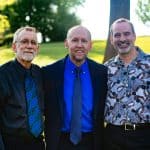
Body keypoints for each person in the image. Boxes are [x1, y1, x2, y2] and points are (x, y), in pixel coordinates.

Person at [42, 25, 108, 150]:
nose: (79, 45)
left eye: (84, 41)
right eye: (74, 40)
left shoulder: (102, 72)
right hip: (59, 142)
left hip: (92, 142)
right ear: (66, 43)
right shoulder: (49, 72)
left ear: (90, 45)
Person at [104, 18, 150, 150]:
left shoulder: (148, 64)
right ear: (112, 40)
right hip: (112, 137)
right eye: (117, 35)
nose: (122, 39)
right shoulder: (106, 68)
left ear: (134, 36)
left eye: (126, 33)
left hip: (144, 136)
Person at [0, 26, 45, 150]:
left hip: (38, 144)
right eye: (24, 42)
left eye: (33, 43)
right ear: (14, 47)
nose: (29, 46)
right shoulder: (3, 75)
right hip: (11, 144)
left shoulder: (40, 74)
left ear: (37, 48)